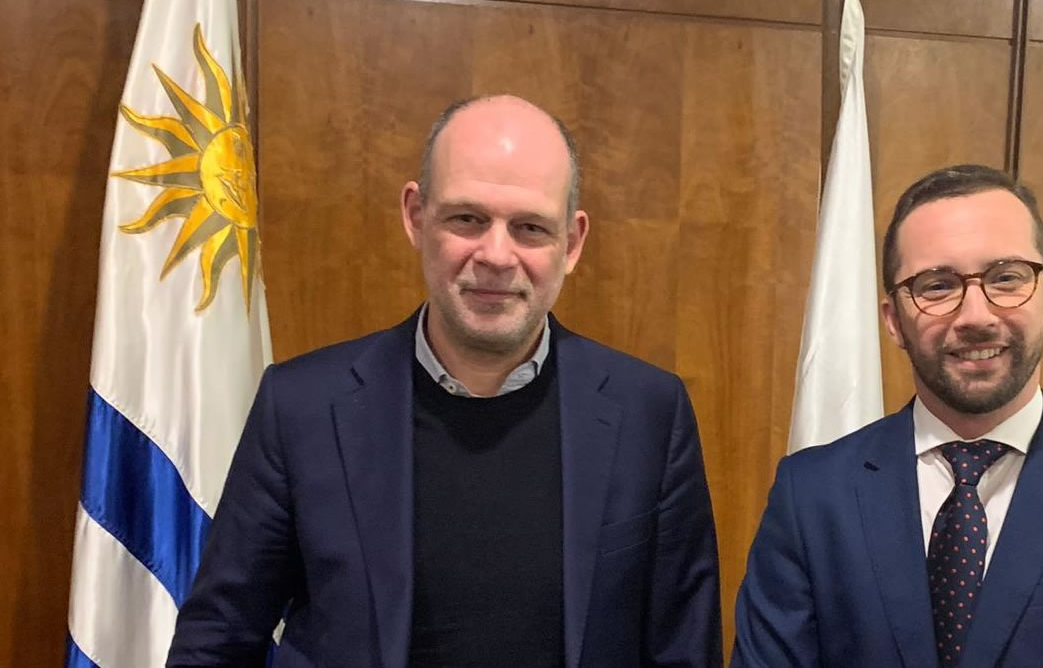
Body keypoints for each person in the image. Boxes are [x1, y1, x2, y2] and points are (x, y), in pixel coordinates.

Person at [168, 95, 722, 667]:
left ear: (572, 243)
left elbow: (684, 649)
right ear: (415, 215)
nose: (496, 255)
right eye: (467, 219)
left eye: (530, 228)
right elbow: (219, 639)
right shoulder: (303, 406)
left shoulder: (650, 416)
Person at [733, 164, 1043, 667]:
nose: (976, 316)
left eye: (1006, 278)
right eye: (937, 285)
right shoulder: (811, 496)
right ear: (894, 320)